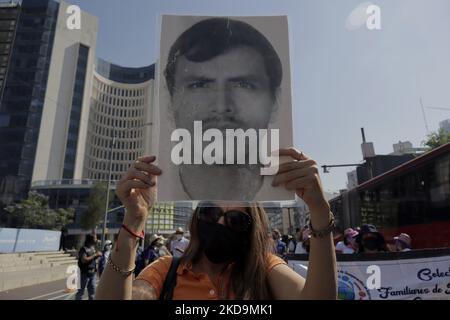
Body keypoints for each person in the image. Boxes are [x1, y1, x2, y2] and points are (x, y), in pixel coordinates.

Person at [96, 147, 337, 299]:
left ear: (250, 230)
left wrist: (319, 210)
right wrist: (134, 222)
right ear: (197, 218)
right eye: (211, 213)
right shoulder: (166, 270)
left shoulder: (264, 270)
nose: (220, 224)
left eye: (235, 220)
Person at [162, 17, 285, 201]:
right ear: (170, 101)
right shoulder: (156, 190)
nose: (221, 107)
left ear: (275, 101)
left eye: (243, 84)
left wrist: (319, 213)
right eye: (199, 85)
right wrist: (133, 221)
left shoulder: (287, 191)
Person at [76, 234, 102, 300]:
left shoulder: (93, 248)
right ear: (90, 240)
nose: (96, 240)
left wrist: (97, 256)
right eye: (95, 238)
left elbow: (92, 259)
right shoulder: (84, 249)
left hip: (92, 274)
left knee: (92, 293)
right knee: (80, 293)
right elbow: (83, 260)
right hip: (84, 274)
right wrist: (95, 255)